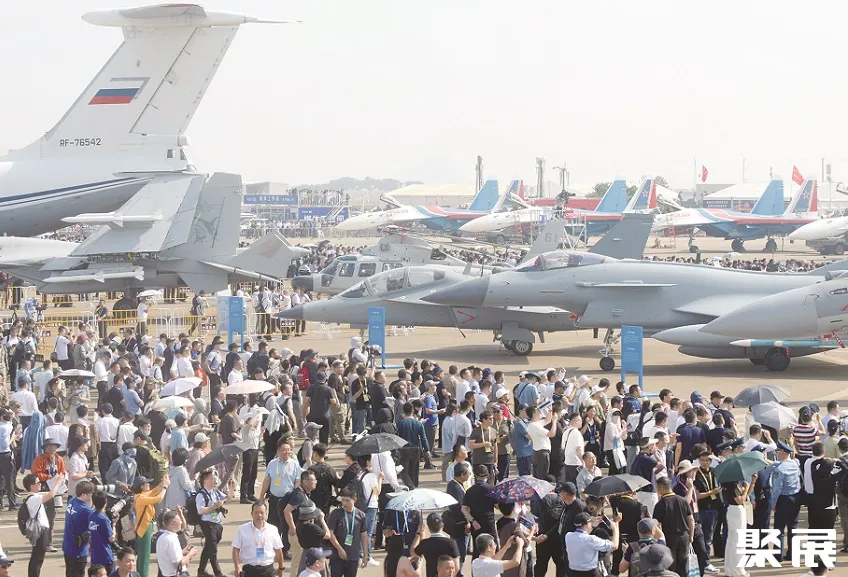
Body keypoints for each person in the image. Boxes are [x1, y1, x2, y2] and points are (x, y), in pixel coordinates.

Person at [23, 471, 66, 577]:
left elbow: (51, 493)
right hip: (40, 532)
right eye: (38, 483)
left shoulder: (35, 496)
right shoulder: (33, 498)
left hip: (42, 531)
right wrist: (58, 482)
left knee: (38, 557)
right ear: (31, 486)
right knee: (37, 558)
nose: (40, 484)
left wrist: (57, 484)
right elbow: (51, 495)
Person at [652, 475, 695, 577]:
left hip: (669, 538)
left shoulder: (660, 504)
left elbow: (657, 524)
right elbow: (691, 519)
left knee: (670, 566)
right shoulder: (683, 500)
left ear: (661, 488)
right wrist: (691, 536)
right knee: (683, 565)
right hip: (684, 537)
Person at [232, 500, 286, 577]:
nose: (259, 515)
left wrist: (281, 567)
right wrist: (237, 566)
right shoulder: (242, 529)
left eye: (262, 513)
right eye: (256, 513)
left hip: (267, 570)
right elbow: (236, 549)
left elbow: (278, 549)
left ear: (266, 514)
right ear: (251, 514)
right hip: (249, 570)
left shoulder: (273, 529)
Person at [197, 470, 235, 577]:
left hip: (217, 524)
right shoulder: (201, 495)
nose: (215, 480)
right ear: (205, 481)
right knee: (213, 550)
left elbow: (227, 499)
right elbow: (200, 511)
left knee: (208, 548)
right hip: (208, 524)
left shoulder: (215, 491)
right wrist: (214, 506)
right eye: (212, 479)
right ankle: (218, 573)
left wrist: (231, 489)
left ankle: (201, 571)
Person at [769, 440, 802, 562]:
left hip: (783, 499)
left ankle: (778, 555)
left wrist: (773, 504)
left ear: (783, 452)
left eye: (778, 451)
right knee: (793, 527)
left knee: (779, 528)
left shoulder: (779, 469)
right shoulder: (795, 463)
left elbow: (777, 489)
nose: (776, 453)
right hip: (795, 497)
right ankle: (792, 553)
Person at [31, 437, 66, 552]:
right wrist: (50, 477)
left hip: (55, 490)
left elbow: (63, 473)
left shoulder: (59, 459)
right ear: (45, 447)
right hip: (42, 490)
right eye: (49, 446)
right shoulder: (40, 459)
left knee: (51, 517)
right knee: (39, 517)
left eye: (54, 446)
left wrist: (61, 479)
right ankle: (38, 541)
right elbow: (36, 473)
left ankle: (48, 543)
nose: (51, 448)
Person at [325, 487, 369, 577]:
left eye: (347, 501)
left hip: (353, 556)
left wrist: (366, 555)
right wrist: (339, 549)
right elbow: (330, 533)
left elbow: (364, 535)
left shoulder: (361, 515)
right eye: (343, 500)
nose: (344, 503)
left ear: (355, 500)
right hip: (337, 555)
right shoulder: (336, 513)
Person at [564, 511, 621, 577]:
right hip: (590, 573)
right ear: (587, 524)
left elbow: (581, 536)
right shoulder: (591, 540)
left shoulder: (568, 536)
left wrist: (592, 526)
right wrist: (616, 527)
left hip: (573, 573)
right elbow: (614, 546)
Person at [133, 474, 168, 577]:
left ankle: (140, 574)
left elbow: (154, 491)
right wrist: (165, 487)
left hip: (144, 528)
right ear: (141, 486)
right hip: (144, 528)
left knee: (142, 555)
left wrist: (163, 482)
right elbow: (159, 498)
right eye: (146, 483)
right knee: (145, 556)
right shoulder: (141, 498)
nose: (149, 484)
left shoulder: (142, 495)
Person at [462, 464, 498, 559]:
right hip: (489, 522)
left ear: (475, 476)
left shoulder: (470, 491)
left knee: (477, 549)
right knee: (493, 547)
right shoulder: (491, 489)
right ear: (488, 476)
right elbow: (498, 506)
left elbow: (464, 509)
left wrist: (473, 520)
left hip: (476, 524)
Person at [63, 480, 95, 577]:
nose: (91, 496)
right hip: (79, 551)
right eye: (90, 494)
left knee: (69, 572)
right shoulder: (86, 510)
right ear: (84, 495)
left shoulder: (71, 501)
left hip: (67, 545)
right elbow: (95, 525)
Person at [412, 512, 460, 577]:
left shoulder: (425, 543)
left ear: (428, 527)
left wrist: (418, 533)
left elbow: (413, 552)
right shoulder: (451, 543)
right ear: (442, 525)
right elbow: (456, 567)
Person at [156, 509, 199, 577]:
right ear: (172, 524)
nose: (181, 522)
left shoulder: (162, 537)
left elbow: (169, 556)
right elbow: (178, 564)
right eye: (179, 520)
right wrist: (190, 554)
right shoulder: (171, 539)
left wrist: (182, 552)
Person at [88, 491, 116, 572]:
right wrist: (114, 525)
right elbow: (111, 538)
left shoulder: (91, 516)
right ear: (105, 502)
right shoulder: (104, 519)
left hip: (94, 556)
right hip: (105, 556)